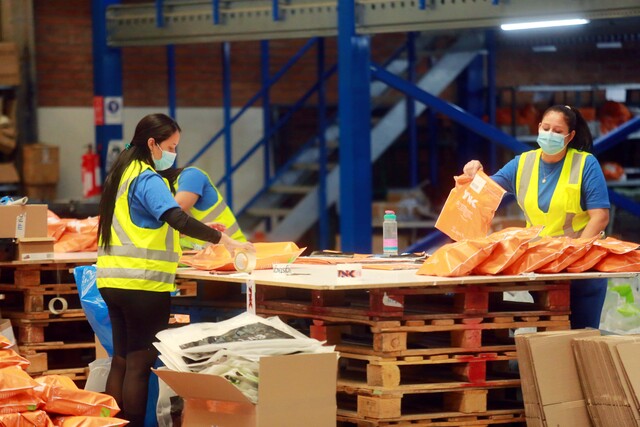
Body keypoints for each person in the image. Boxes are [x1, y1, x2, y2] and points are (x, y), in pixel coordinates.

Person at [96, 113, 253, 426]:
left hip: (112, 280)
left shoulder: (121, 174)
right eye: (171, 146)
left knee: (122, 362)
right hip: (143, 285)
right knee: (140, 366)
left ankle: (110, 423)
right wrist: (225, 240)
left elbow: (148, 226)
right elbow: (176, 217)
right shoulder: (147, 177)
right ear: (152, 143)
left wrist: (202, 229)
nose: (174, 153)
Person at [462, 105, 610, 329]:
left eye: (558, 131)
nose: (550, 134)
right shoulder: (523, 163)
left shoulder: (585, 164)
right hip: (543, 266)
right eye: (546, 128)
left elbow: (600, 216)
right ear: (539, 127)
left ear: (570, 136)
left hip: (581, 269)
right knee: (549, 340)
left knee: (581, 338)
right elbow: (486, 189)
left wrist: (574, 255)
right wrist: (475, 172)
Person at [160, 166, 247, 250]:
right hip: (199, 260)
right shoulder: (162, 196)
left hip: (232, 254)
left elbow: (174, 212)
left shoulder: (191, 176)